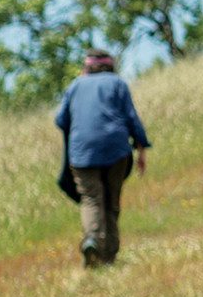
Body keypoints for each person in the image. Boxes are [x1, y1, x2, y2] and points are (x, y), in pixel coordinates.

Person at [53, 48, 149, 267]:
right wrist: (141, 149)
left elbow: (61, 120)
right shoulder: (117, 83)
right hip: (116, 149)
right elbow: (131, 118)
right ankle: (109, 256)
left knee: (91, 199)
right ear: (110, 66)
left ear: (87, 67)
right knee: (111, 201)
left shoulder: (75, 86)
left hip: (82, 152)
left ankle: (93, 240)